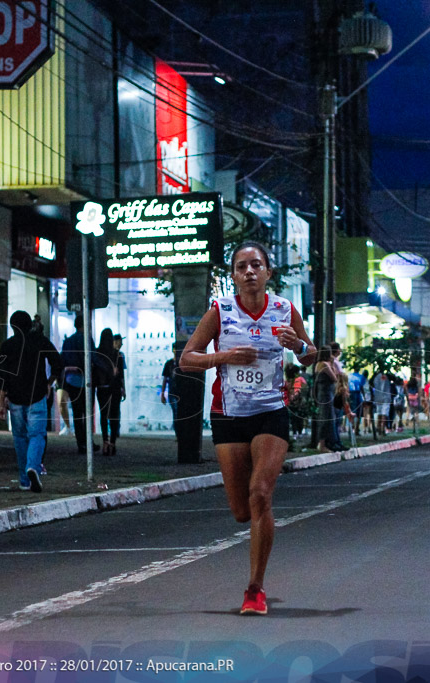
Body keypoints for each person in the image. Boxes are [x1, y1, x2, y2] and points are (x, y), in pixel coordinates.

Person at [180, 241, 316, 616]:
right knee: (242, 510)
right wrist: (223, 356)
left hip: (271, 413)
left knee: (260, 494)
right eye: (242, 267)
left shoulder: (285, 310)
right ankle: (255, 559)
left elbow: (311, 355)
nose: (250, 272)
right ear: (234, 276)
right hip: (228, 415)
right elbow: (187, 358)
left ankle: (255, 588)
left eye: (256, 265)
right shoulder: (220, 311)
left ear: (268, 272)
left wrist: (299, 344)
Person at [0, 311, 63, 493]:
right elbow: (58, 362)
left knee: (19, 437)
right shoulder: (40, 341)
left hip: (15, 397)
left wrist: (1, 403)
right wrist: (49, 383)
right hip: (37, 395)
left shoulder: (7, 345)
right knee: (37, 435)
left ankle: (24, 481)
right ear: (30, 325)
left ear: (12, 326)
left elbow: (1, 377)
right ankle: (33, 466)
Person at [61, 316, 98, 455]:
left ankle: (80, 443)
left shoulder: (68, 341)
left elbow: (63, 359)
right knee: (87, 413)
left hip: (71, 380)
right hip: (86, 380)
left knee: (77, 413)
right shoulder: (87, 340)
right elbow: (93, 358)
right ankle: (88, 442)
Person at [95, 328, 124, 457]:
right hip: (115, 388)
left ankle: (105, 442)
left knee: (103, 415)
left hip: (102, 388)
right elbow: (121, 374)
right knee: (114, 415)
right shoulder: (117, 354)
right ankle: (113, 443)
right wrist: (123, 389)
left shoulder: (97, 353)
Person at [312, 345, 343, 452]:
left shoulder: (318, 364)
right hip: (326, 394)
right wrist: (332, 364)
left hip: (323, 392)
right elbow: (334, 377)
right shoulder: (325, 364)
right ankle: (322, 444)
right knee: (327, 418)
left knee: (327, 417)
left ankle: (327, 442)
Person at [161, 343, 181, 433]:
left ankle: (180, 432)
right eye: (175, 349)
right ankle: (178, 433)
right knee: (176, 411)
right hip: (172, 392)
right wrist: (162, 393)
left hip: (181, 391)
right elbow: (165, 379)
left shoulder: (182, 362)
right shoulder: (168, 364)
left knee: (180, 412)